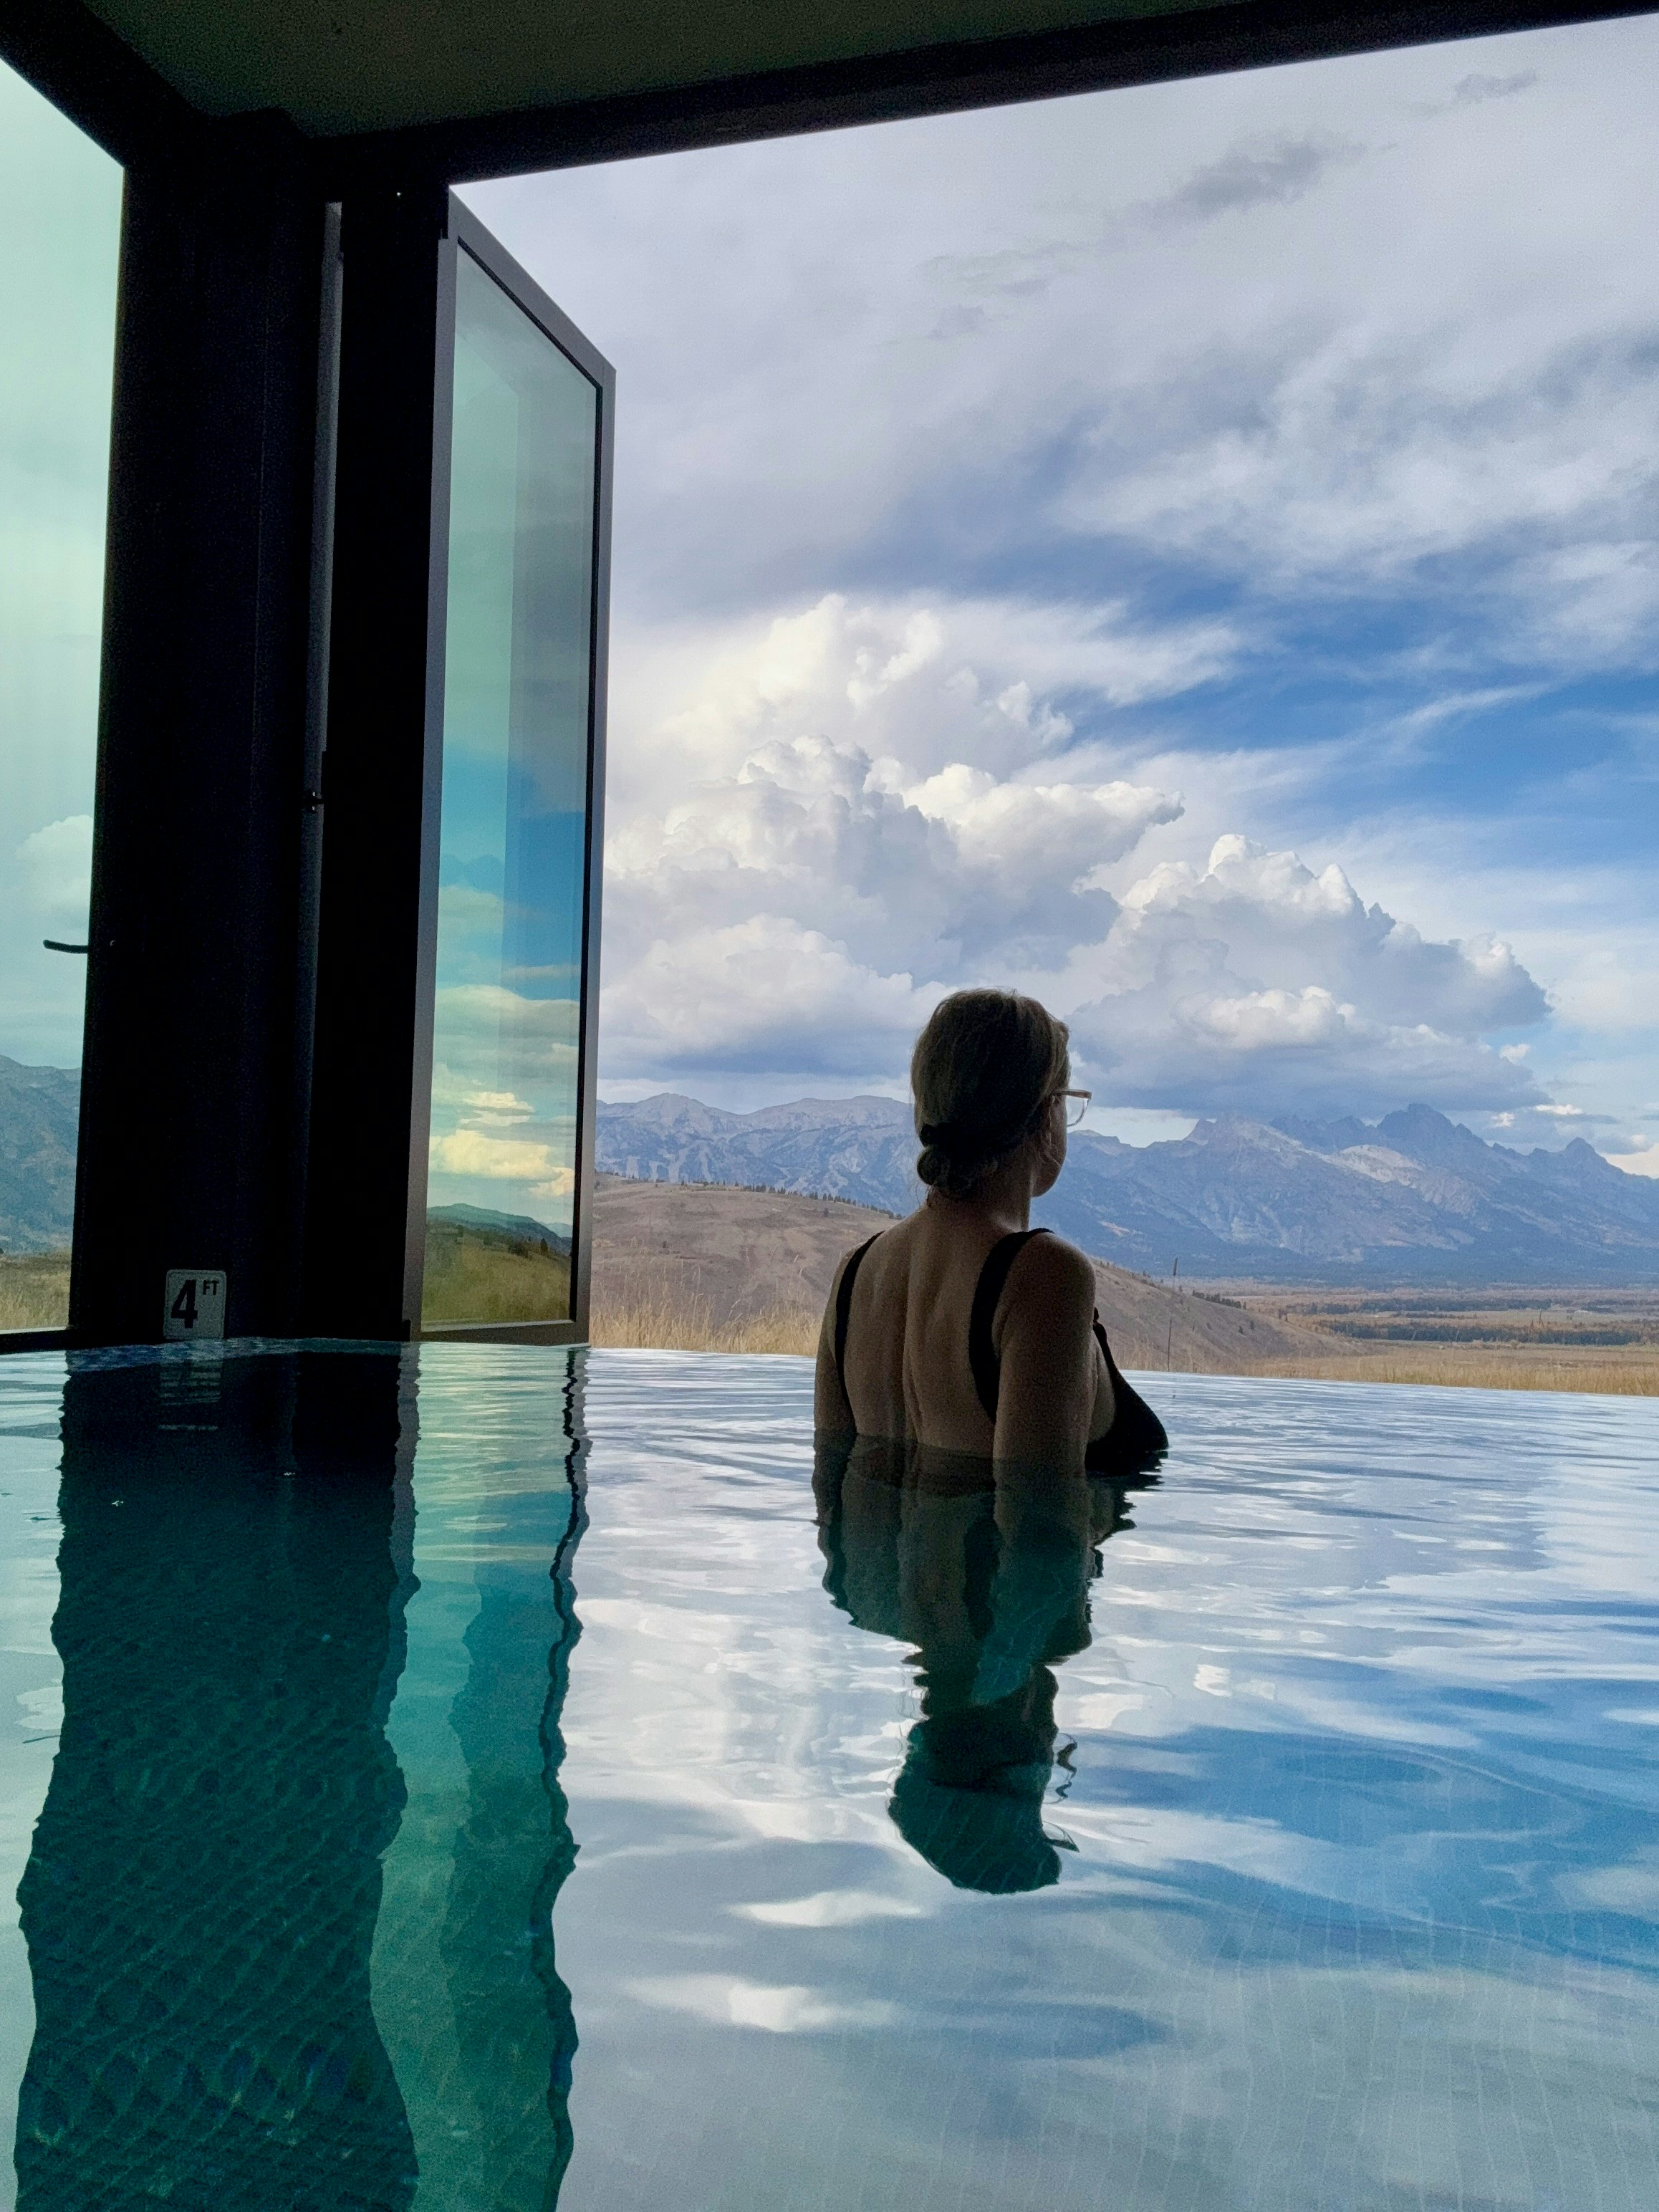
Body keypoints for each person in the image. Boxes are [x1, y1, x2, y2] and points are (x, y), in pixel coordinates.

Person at [815, 987, 1166, 1474]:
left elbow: (830, 1496)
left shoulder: (854, 1274)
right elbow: (1036, 1526)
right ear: (1047, 1115)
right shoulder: (1044, 1275)